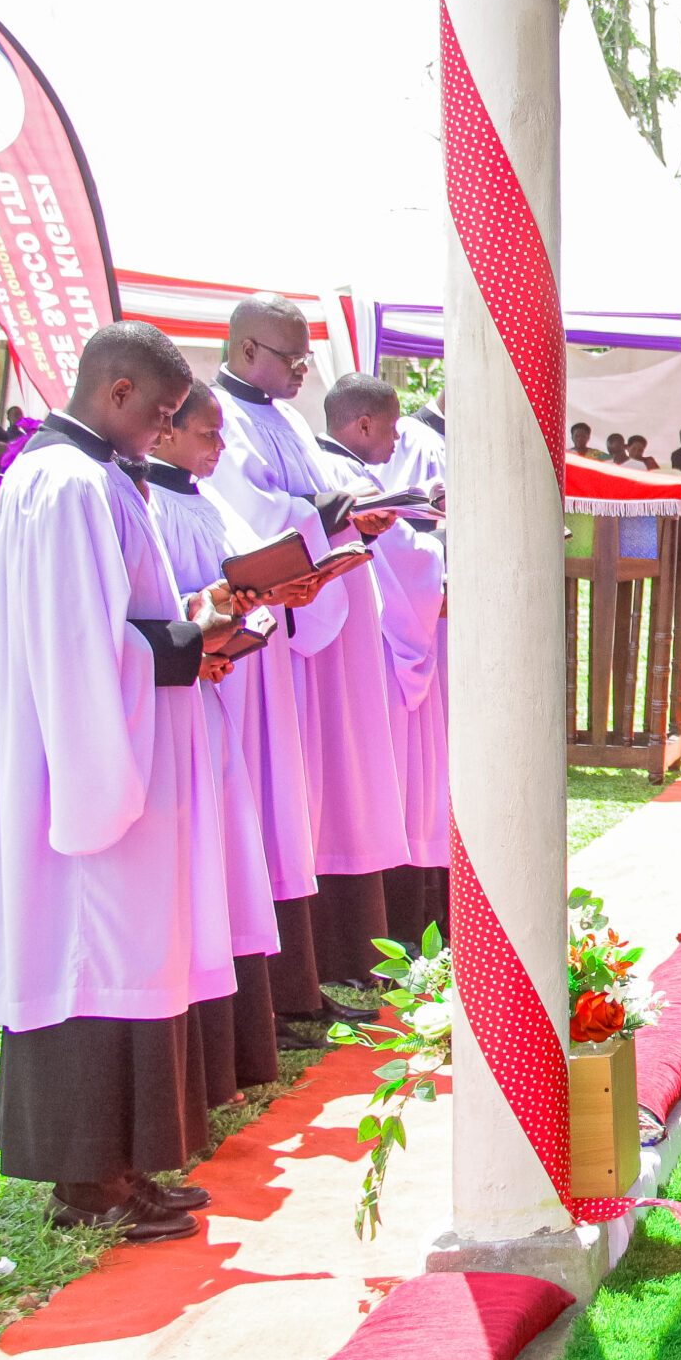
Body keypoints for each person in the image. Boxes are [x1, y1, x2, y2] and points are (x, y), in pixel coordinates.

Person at [0, 322, 252, 1244]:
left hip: (122, 736)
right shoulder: (65, 483)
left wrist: (190, 619)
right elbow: (79, 650)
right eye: (164, 414)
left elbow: (112, 618)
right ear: (121, 391)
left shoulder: (90, 476)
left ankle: (118, 1161)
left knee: (121, 952)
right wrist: (189, 639)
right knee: (89, 953)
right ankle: (89, 1176)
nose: (165, 433)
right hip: (89, 760)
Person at [206, 294, 408, 1003]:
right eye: (290, 358)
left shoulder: (286, 416)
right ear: (246, 349)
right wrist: (331, 516)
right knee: (268, 795)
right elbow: (251, 518)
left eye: (305, 357)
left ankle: (314, 964)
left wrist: (356, 515)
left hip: (306, 623)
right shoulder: (218, 419)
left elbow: (315, 499)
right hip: (259, 634)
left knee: (302, 792)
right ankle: (276, 980)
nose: (301, 371)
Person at [146, 382, 326, 1052]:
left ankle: (261, 1012)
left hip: (237, 678)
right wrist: (211, 617)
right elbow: (161, 602)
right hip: (194, 687)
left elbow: (248, 570)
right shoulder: (149, 502)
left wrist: (287, 587)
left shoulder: (208, 495)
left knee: (241, 841)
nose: (221, 448)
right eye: (208, 435)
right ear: (164, 432)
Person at [316, 375, 453, 952]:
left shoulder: (344, 473)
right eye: (393, 427)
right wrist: (438, 556)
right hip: (369, 649)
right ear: (364, 423)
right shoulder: (349, 479)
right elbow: (400, 561)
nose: (400, 440)